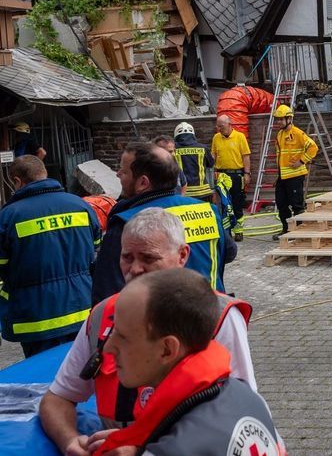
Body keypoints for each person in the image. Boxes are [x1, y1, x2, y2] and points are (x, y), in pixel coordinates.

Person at [40, 209, 257, 453]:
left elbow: (241, 419)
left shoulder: (218, 317)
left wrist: (144, 448)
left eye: (148, 258)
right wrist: (70, 441)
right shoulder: (102, 315)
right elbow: (57, 398)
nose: (134, 269)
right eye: (127, 257)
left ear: (182, 255)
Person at [67, 269, 281, 456]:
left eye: (123, 337)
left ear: (167, 349)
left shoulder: (174, 448)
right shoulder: (245, 396)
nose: (108, 348)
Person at [0, 156, 99, 357]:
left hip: (36, 318)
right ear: (44, 174)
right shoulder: (81, 206)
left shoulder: (7, 217)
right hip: (81, 308)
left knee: (43, 377)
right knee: (81, 373)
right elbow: (95, 246)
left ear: (17, 181)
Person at [92, 142, 233, 304]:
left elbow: (105, 297)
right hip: (211, 315)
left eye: (123, 171)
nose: (117, 175)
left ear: (143, 183)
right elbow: (229, 252)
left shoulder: (127, 223)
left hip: (156, 324)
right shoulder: (208, 210)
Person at [272, 104, 318, 239]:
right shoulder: (280, 134)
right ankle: (286, 230)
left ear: (289, 119)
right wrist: (279, 175)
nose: (278, 122)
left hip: (295, 176)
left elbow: (313, 148)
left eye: (281, 119)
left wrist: (301, 161)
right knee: (281, 204)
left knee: (297, 205)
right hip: (283, 176)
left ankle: (298, 232)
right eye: (277, 119)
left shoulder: (298, 133)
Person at [210, 114, 251, 235]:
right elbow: (213, 156)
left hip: (236, 175)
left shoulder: (239, 137)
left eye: (221, 126)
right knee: (223, 204)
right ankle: (226, 232)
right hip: (221, 175)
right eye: (218, 126)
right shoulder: (216, 138)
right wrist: (212, 172)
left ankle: (238, 231)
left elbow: (246, 156)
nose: (219, 129)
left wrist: (247, 173)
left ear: (229, 124)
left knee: (237, 203)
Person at [172, 122, 213, 202]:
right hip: (203, 192)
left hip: (183, 193)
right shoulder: (203, 148)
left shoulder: (172, 149)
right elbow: (210, 164)